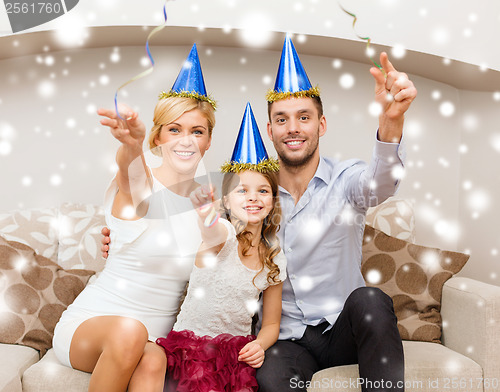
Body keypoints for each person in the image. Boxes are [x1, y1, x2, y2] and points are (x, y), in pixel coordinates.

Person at [253, 36, 417, 392]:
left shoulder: (346, 181)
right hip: (287, 340)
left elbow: (381, 185)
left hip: (342, 332)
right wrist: (122, 237)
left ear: (321, 126)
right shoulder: (252, 196)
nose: (293, 127)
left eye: (303, 117)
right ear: (270, 131)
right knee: (268, 378)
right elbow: (210, 239)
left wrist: (392, 121)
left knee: (370, 300)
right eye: (281, 119)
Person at [52, 44, 216, 392]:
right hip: (94, 326)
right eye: (174, 129)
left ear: (208, 142)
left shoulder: (208, 205)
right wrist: (132, 145)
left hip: (151, 339)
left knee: (154, 357)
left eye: (197, 131)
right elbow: (133, 174)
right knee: (130, 331)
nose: (185, 140)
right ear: (158, 136)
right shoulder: (141, 185)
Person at [156, 102, 286, 392]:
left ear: (273, 200)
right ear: (227, 201)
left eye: (263, 190)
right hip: (192, 349)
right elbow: (212, 232)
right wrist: (205, 213)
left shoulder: (275, 258)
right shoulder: (223, 233)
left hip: (234, 353)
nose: (253, 198)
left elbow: (271, 324)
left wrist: (260, 345)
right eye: (242, 190)